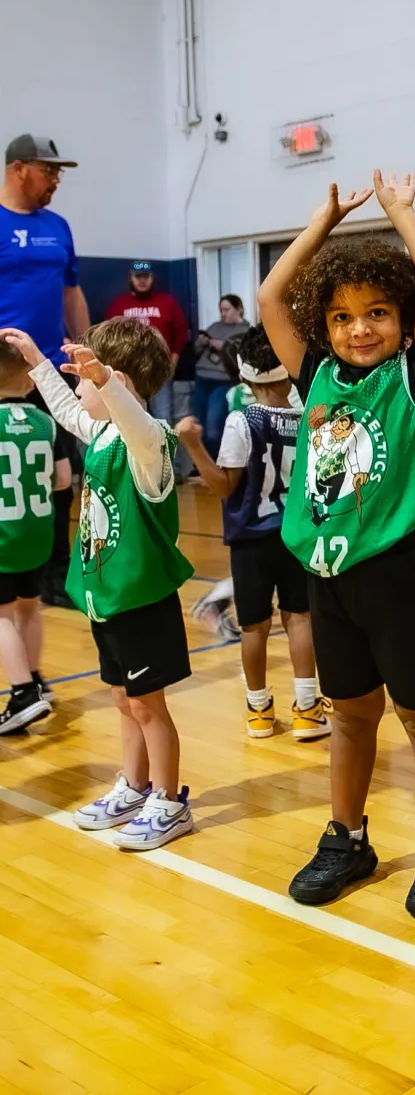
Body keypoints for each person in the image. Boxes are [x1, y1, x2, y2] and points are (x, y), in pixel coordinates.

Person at [259, 169, 415, 921]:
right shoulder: (315, 373)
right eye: (343, 317)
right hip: (328, 577)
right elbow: (269, 298)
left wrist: (399, 211)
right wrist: (322, 219)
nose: (359, 329)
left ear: (402, 318)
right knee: (349, 716)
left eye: (377, 312)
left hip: (397, 575)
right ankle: (347, 837)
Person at [2, 318, 196, 846]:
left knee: (149, 705)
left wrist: (105, 382)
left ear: (117, 383)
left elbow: (135, 424)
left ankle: (169, 799)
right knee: (123, 699)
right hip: (105, 596)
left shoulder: (148, 441)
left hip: (141, 599)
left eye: (85, 379)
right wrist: (37, 362)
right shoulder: (105, 433)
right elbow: (67, 412)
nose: (78, 387)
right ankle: (135, 785)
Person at [176, 324, 329, 741]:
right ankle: (308, 707)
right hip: (295, 533)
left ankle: (259, 709)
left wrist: (192, 446)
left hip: (251, 537)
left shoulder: (242, 420)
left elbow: (224, 486)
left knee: (254, 627)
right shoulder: (307, 417)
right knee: (299, 619)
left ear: (243, 376)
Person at [0, 134, 89, 608]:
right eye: (48, 169)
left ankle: (54, 576)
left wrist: (87, 351)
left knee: (60, 477)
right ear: (18, 169)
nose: (56, 179)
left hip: (50, 375)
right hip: (0, 379)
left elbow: (71, 294)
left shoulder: (58, 227)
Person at [0, 338, 72, 733]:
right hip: (39, 530)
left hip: (2, 533)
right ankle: (37, 678)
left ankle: (23, 693)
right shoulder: (46, 422)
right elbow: (63, 480)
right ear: (29, 380)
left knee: (1, 616)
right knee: (30, 607)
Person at [105, 262, 188, 425]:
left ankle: (165, 451)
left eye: (146, 277)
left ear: (152, 278)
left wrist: (173, 361)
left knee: (163, 417)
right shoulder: (118, 305)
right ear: (130, 278)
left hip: (159, 370)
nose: (142, 281)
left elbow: (181, 333)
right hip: (128, 372)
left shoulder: (167, 302)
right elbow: (108, 338)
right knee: (130, 418)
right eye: (138, 277)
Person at [194, 294, 249, 458]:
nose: (223, 314)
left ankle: (218, 463)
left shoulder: (247, 330)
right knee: (198, 426)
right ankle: (200, 466)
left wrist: (225, 347)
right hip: (202, 377)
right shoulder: (215, 326)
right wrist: (200, 343)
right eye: (221, 310)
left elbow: (245, 355)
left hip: (224, 381)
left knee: (214, 426)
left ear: (238, 310)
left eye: (226, 309)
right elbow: (195, 351)